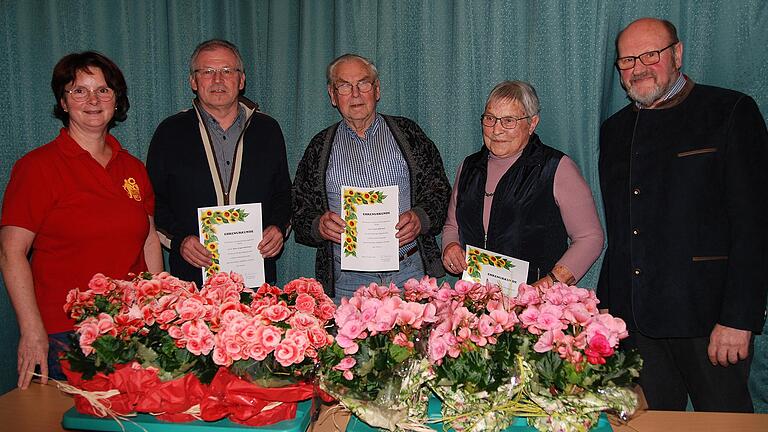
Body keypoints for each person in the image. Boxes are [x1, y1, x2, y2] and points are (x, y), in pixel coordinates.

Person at [597, 17, 768, 412]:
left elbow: (754, 226)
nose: (638, 67)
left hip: (711, 322)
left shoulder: (729, 111)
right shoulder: (615, 130)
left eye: (650, 55)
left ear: (677, 54)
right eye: (627, 61)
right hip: (636, 323)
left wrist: (739, 319)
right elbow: (622, 231)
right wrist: (608, 305)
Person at [0, 52, 163, 389]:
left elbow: (149, 239)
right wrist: (32, 331)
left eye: (103, 90)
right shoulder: (37, 168)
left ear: (116, 101)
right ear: (63, 101)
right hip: (63, 335)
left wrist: (157, 310)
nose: (93, 100)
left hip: (129, 331)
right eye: (79, 91)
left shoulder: (133, 168)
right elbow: (10, 252)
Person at [293, 53, 451, 303]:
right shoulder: (319, 146)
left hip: (408, 273)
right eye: (344, 86)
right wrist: (318, 225)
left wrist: (420, 219)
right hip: (346, 281)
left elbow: (440, 191)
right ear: (332, 95)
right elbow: (299, 207)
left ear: (376, 90)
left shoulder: (409, 134)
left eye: (363, 83)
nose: (355, 94)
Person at [146, 39, 291, 287]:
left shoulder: (268, 130)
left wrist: (278, 228)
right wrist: (179, 240)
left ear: (241, 80)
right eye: (207, 72)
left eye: (227, 71)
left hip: (256, 279)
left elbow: (284, 195)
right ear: (193, 81)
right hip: (192, 281)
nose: (218, 80)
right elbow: (153, 202)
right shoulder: (170, 132)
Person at [441, 81, 604, 287]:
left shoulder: (557, 167)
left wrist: (550, 283)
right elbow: (452, 225)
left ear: (532, 123)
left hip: (537, 305)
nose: (496, 130)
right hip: (478, 300)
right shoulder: (468, 167)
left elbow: (590, 238)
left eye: (508, 121)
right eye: (490, 119)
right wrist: (451, 246)